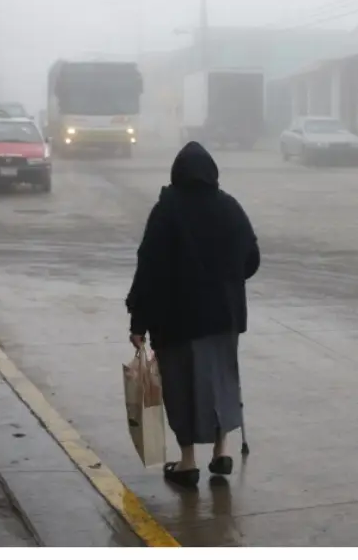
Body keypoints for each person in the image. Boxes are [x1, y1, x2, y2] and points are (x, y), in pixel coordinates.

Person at [125, 141, 261, 488]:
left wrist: (138, 320)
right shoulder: (229, 207)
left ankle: (187, 462)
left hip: (177, 320)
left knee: (181, 388)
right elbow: (252, 259)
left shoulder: (167, 210)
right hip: (224, 318)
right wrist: (226, 279)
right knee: (222, 381)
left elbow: (149, 267)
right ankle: (221, 451)